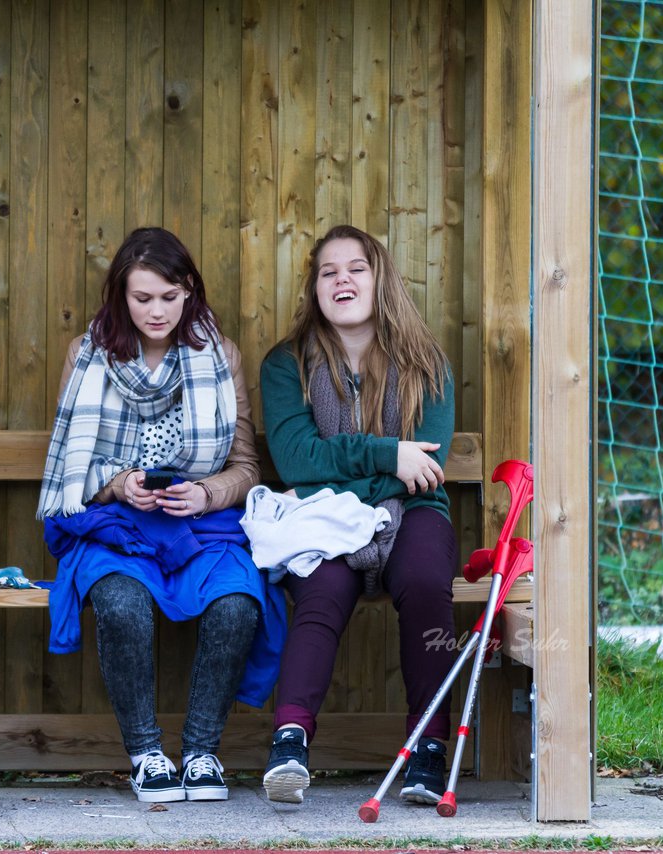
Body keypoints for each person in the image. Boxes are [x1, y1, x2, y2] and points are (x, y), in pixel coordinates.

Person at [37, 227, 286, 804]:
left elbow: (245, 465)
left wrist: (206, 494)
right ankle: (146, 754)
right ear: (120, 295)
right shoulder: (87, 353)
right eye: (142, 297)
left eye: (169, 297)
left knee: (237, 603)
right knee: (121, 605)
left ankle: (201, 753)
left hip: (201, 523)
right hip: (116, 524)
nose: (156, 310)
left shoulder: (220, 356)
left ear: (189, 291)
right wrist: (119, 484)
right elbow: (73, 462)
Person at [258, 224, 457, 806]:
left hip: (415, 510)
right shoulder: (285, 366)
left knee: (425, 583)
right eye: (328, 272)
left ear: (380, 280)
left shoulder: (426, 363)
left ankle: (427, 748)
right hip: (324, 516)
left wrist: (361, 468)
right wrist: (386, 453)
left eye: (356, 268)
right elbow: (297, 463)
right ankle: (289, 743)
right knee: (320, 589)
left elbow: (425, 471)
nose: (342, 279)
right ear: (315, 289)